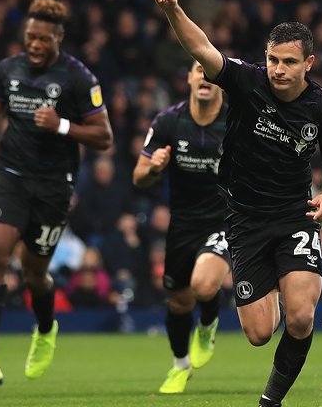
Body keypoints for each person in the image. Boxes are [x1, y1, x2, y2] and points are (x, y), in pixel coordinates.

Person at [150, 0, 322, 407]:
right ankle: (277, 284)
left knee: (300, 317)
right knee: (260, 334)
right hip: (244, 221)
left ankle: (270, 401)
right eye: (274, 59)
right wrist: (173, 10)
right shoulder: (246, 81)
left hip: (294, 215)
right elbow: (201, 48)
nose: (279, 69)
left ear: (308, 64)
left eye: (290, 62)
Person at [0, 0, 113, 393]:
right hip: (10, 174)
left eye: (43, 38)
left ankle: (45, 329)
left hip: (53, 185)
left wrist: (62, 125)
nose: (34, 44)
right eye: (30, 36)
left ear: (59, 37)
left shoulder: (79, 78)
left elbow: (104, 136)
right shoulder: (6, 70)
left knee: (35, 274)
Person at [132, 60, 232, 393]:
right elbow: (139, 177)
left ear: (222, 80)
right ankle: (179, 365)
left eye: (211, 71)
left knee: (203, 287)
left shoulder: (237, 120)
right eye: (197, 70)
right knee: (178, 301)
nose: (204, 75)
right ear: (189, 78)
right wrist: (154, 168)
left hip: (225, 220)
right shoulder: (168, 121)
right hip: (183, 223)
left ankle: (208, 323)